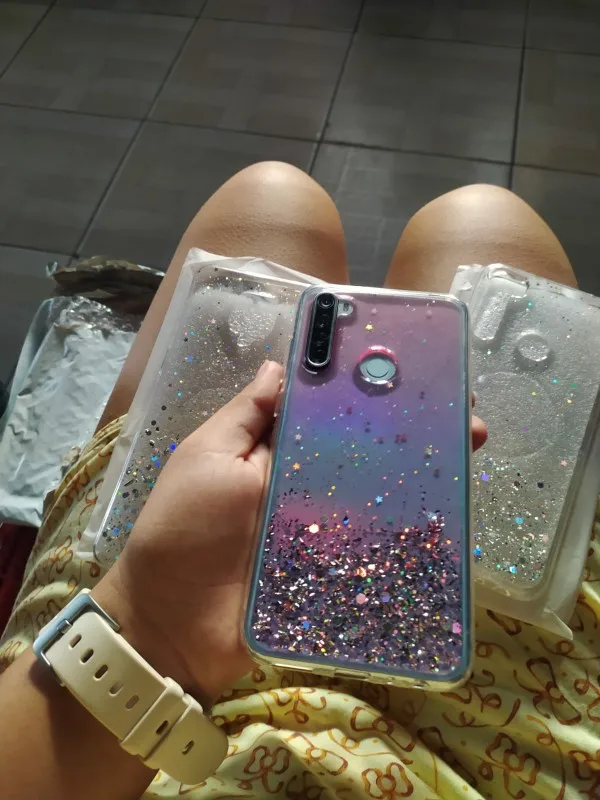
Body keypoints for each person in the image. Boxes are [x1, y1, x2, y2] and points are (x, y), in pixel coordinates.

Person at [0, 164, 597, 800]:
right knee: (481, 217)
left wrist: (155, 621)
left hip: (129, 680)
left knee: (270, 199)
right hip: (491, 731)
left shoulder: (165, 599)